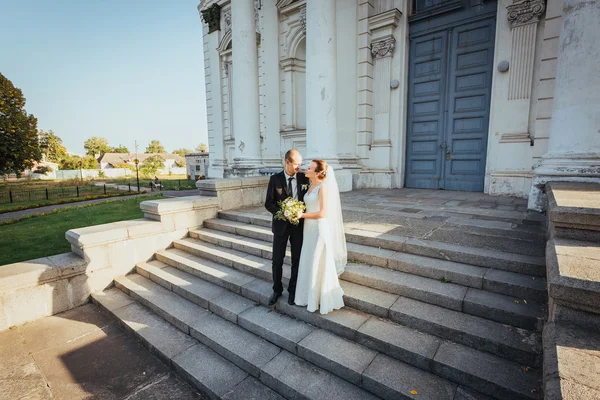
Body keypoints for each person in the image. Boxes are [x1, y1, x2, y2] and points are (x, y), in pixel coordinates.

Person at [294, 159, 346, 314]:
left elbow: (323, 213)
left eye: (309, 168)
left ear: (317, 173)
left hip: (318, 229)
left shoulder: (322, 188)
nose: (306, 169)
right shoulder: (310, 185)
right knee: (309, 259)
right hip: (308, 229)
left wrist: (301, 214)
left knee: (317, 260)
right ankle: (306, 296)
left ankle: (319, 298)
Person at [264, 149, 310, 306]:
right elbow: (268, 203)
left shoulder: (304, 178)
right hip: (280, 226)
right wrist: (283, 213)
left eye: (300, 164)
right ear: (287, 162)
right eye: (296, 164)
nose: (299, 167)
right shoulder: (275, 179)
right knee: (277, 260)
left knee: (297, 259)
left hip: (299, 226)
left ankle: (293, 290)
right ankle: (277, 290)